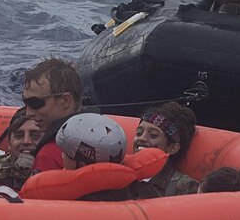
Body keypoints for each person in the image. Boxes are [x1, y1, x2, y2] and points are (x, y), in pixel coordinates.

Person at [19, 113, 168, 202]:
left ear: (81, 163)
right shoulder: (147, 190)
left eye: (66, 153)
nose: (61, 155)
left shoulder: (61, 200)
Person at [17, 57, 87, 172]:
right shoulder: (102, 142)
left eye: (35, 103)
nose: (28, 113)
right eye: (25, 103)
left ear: (65, 101)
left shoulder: (48, 156)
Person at [133, 102, 201, 196]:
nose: (142, 138)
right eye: (139, 133)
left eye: (153, 135)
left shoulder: (186, 187)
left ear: (172, 148)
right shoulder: (121, 176)